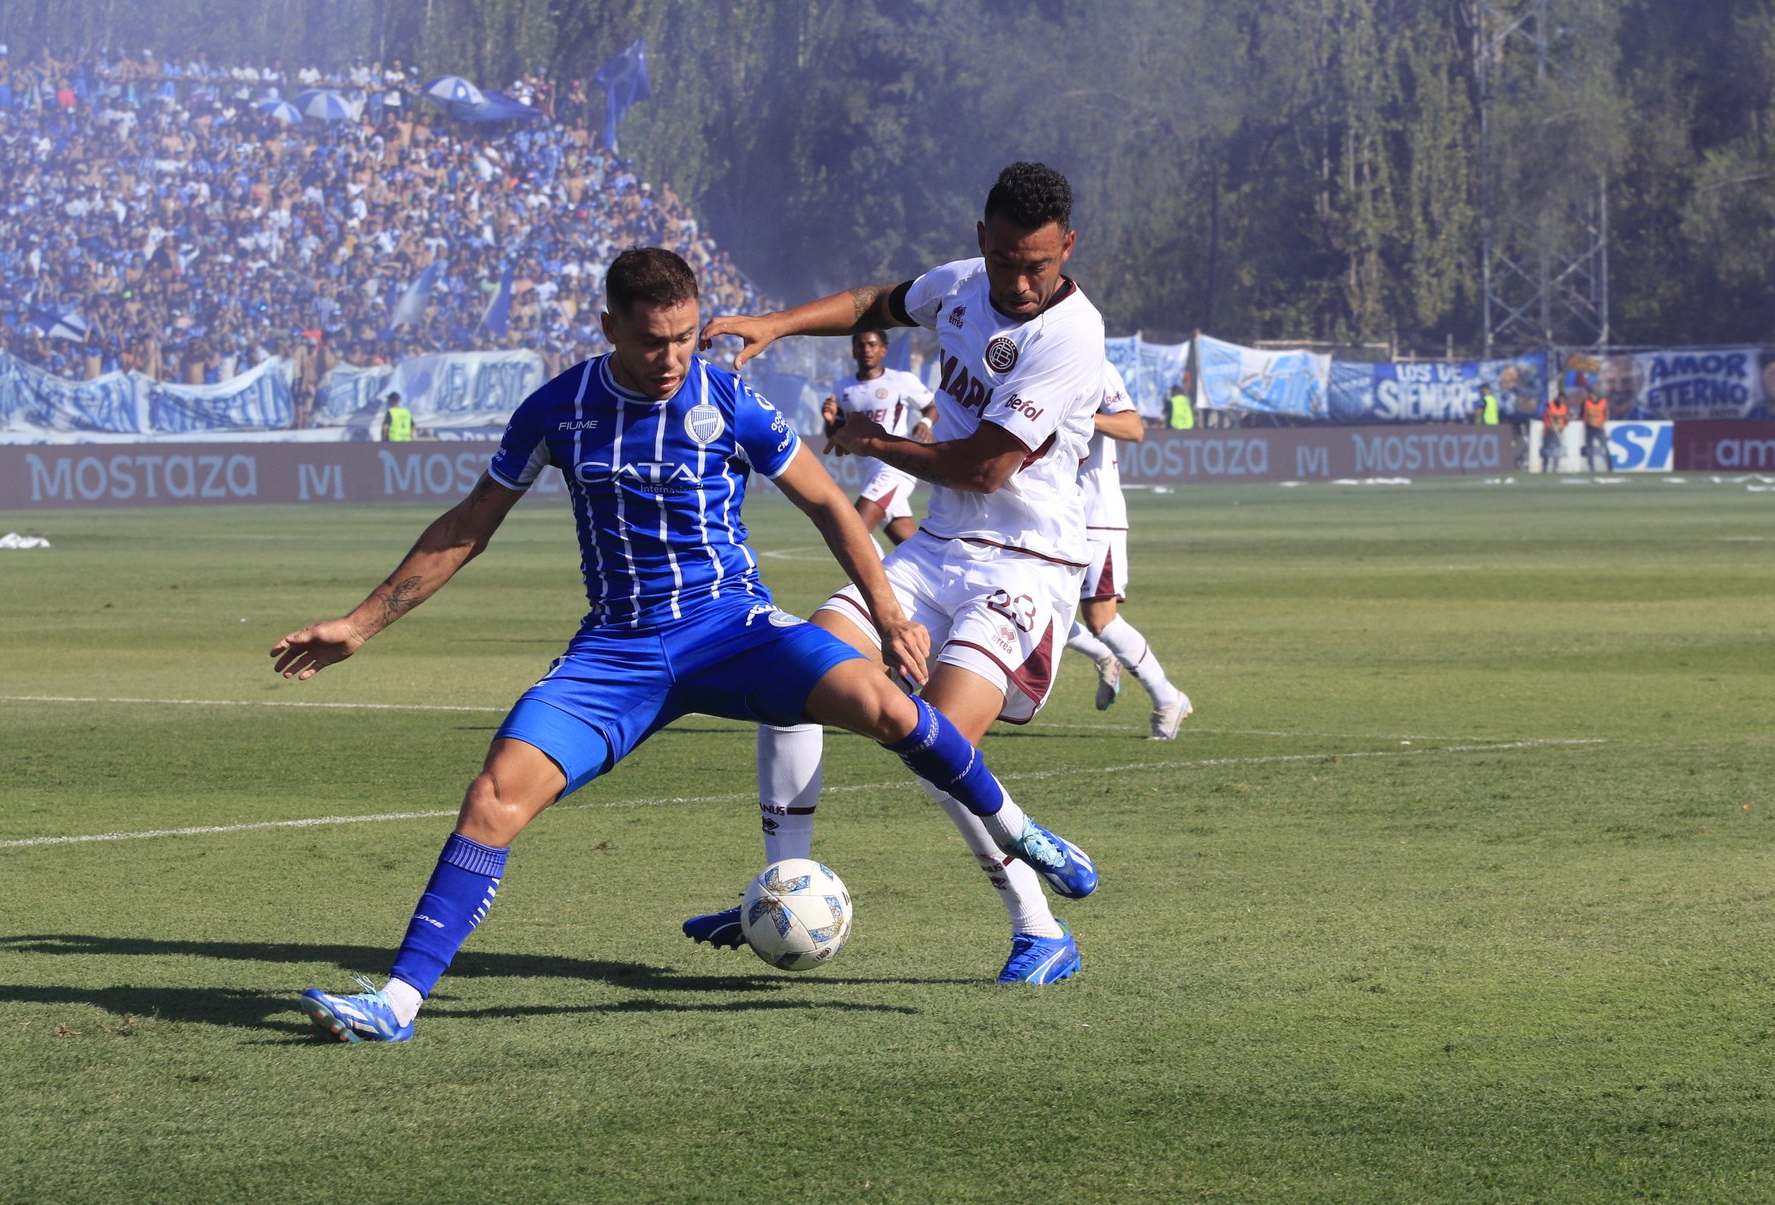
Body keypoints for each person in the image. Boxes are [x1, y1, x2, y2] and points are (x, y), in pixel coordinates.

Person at [275, 248, 1096, 1042]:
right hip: (616, 652)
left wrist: (888, 613)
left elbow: (829, 505)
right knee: (492, 797)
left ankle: (1021, 831)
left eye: (683, 335)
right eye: (650, 341)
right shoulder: (555, 410)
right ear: (608, 327)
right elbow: (467, 526)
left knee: (887, 704)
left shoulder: (728, 398)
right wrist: (359, 623)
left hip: (732, 629)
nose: (671, 357)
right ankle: (397, 1000)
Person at [687, 161, 1108, 985]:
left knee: (937, 745)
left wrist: (871, 443)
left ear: (1068, 247)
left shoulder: (1071, 335)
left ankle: (1040, 926)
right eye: (1005, 263)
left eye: (1039, 266)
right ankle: (782, 890)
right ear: (981, 240)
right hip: (934, 551)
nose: (1020, 282)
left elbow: (986, 469)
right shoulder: (960, 283)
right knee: (793, 672)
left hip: (1026, 565)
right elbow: (876, 300)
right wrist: (775, 322)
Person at [1061, 359, 1192, 738]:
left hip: (1094, 515)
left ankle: (1167, 698)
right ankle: (1102, 655)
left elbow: (1133, 429)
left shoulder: (1095, 367)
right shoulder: (1035, 364)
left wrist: (1081, 418)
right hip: (1052, 514)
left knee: (1100, 620)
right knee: (1038, 606)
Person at [823, 329, 937, 545]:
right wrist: (830, 422)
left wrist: (925, 422)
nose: (866, 349)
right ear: (854, 351)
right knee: (909, 545)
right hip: (867, 471)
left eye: (872, 344)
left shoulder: (901, 380)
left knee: (852, 529)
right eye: (861, 345)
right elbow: (839, 438)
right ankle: (936, 575)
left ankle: (868, 580)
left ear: (883, 350)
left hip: (896, 467)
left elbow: (931, 407)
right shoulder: (843, 387)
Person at [1577, 382, 1611, 471]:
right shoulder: (1586, 403)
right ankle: (1591, 467)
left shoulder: (1603, 402)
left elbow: (1606, 414)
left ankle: (1609, 466)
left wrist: (1602, 422)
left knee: (1604, 447)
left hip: (1599, 428)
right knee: (1589, 449)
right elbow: (1582, 414)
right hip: (1589, 428)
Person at [1600, 353, 1642, 423]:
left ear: (1639, 381)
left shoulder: (1652, 418)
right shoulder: (1588, 415)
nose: (1619, 388)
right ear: (1601, 383)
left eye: (1626, 381)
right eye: (1611, 381)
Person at [1540, 390, 1570, 472]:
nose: (1562, 400)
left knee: (1557, 450)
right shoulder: (1550, 405)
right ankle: (1545, 467)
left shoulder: (1564, 407)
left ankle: (1555, 467)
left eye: (1563, 399)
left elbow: (1566, 420)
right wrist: (1550, 425)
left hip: (1559, 431)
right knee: (1547, 450)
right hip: (1549, 431)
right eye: (1561, 398)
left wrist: (1561, 427)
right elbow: (1546, 416)